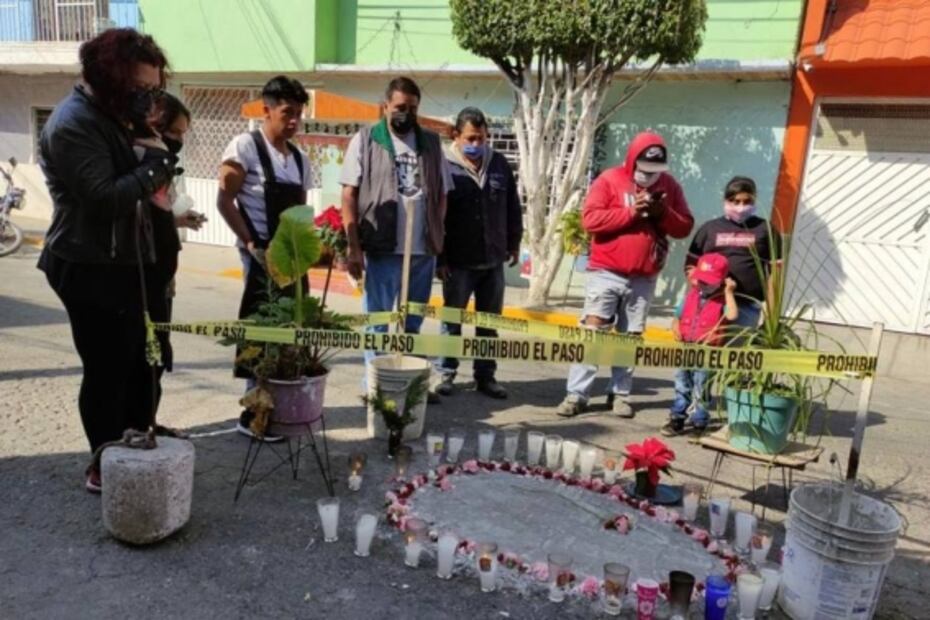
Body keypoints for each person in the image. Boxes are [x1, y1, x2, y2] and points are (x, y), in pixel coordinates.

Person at [37, 28, 177, 493]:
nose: (147, 98)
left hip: (128, 261)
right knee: (108, 368)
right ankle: (105, 460)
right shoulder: (74, 123)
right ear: (108, 78)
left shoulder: (115, 116)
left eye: (153, 89)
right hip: (89, 265)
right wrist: (156, 166)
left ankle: (136, 439)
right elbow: (103, 199)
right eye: (138, 88)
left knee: (142, 361)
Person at [556, 132, 694, 418]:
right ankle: (577, 394)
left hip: (643, 277)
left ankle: (619, 394)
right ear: (632, 161)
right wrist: (631, 212)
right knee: (593, 334)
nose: (649, 175)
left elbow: (684, 227)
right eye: (644, 169)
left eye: (655, 170)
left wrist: (662, 213)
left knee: (629, 339)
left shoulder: (670, 185)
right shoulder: (609, 180)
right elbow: (591, 220)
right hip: (606, 273)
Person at [339, 77, 453, 383]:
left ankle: (407, 384)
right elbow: (349, 195)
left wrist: (435, 230)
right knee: (378, 323)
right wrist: (353, 246)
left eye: (413, 108)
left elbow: (443, 193)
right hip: (382, 249)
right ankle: (376, 386)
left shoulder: (431, 143)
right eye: (401, 107)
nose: (406, 113)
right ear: (385, 106)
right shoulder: (366, 139)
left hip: (422, 251)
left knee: (412, 322)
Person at [217, 75, 312, 440]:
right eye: (287, 113)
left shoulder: (300, 160)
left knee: (289, 335)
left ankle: (280, 408)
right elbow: (225, 200)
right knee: (260, 334)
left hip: (292, 259)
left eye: (299, 113)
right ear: (266, 110)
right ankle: (252, 415)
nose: (294, 121)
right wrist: (250, 243)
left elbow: (300, 213)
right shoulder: (245, 147)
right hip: (259, 256)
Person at [433, 107, 522, 399]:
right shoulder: (444, 166)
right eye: (471, 138)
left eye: (482, 138)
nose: (477, 143)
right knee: (452, 322)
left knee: (489, 325)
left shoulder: (498, 163)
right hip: (457, 262)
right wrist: (440, 258)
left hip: (493, 260)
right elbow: (436, 217)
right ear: (456, 136)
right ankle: (445, 374)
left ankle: (486, 377)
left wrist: (514, 242)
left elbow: (512, 205)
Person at [141, 93, 204, 411]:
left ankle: (149, 421)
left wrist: (179, 219)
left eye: (182, 133)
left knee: (158, 351)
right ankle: (139, 424)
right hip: (145, 274)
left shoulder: (161, 164)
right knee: (147, 352)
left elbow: (160, 213)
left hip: (164, 275)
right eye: (174, 132)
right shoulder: (144, 163)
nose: (179, 140)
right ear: (155, 126)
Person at [685, 176, 780, 331]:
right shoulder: (709, 228)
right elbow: (691, 267)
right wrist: (691, 303)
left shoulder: (766, 229)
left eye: (747, 201)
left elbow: (775, 276)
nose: (741, 207)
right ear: (725, 200)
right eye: (735, 201)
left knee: (737, 345)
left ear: (754, 200)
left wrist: (771, 318)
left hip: (746, 308)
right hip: (710, 304)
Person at [661, 253, 738, 436]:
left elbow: (732, 315)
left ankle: (699, 420)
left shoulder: (722, 299)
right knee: (682, 383)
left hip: (707, 352)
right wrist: (675, 326)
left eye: (708, 282)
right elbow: (678, 315)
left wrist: (729, 292)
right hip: (686, 348)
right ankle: (677, 417)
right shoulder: (691, 295)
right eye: (701, 280)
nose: (703, 284)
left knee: (701, 387)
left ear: (722, 281)